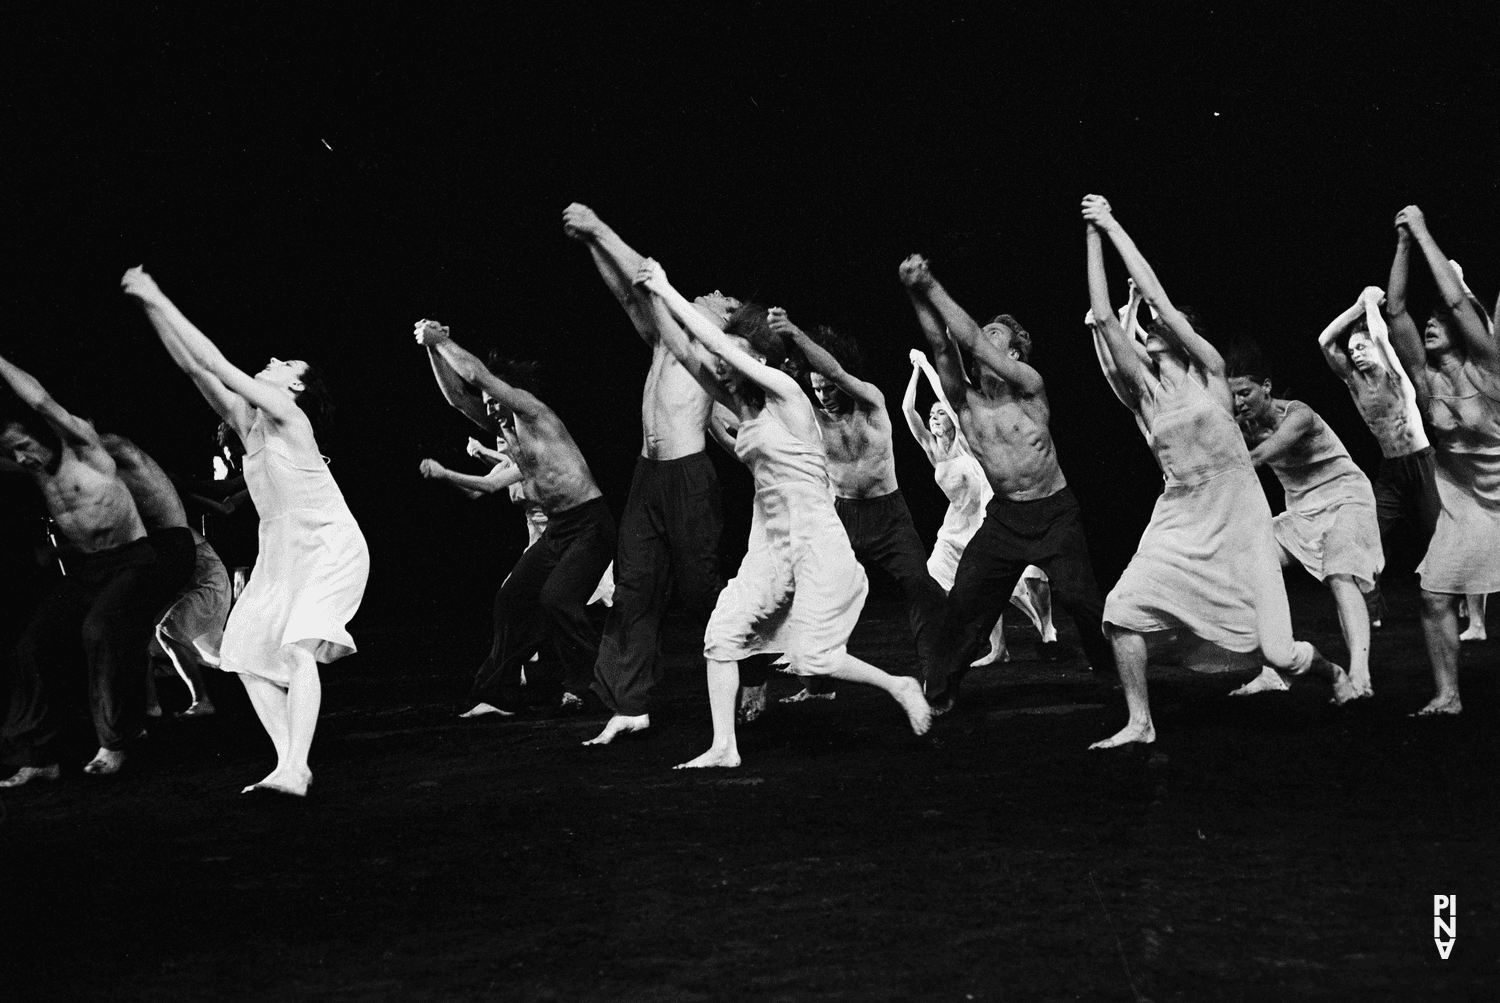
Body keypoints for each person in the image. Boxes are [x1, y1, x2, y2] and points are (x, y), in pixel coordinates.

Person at [634, 258, 931, 768]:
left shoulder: (789, 395)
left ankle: (899, 685)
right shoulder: (741, 404)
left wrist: (665, 285)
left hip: (816, 536)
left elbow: (720, 346)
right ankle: (724, 747)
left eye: (738, 355)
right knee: (721, 637)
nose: (723, 362)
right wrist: (654, 301)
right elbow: (686, 350)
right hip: (769, 542)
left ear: (762, 360)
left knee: (813, 658)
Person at [1080, 195, 1354, 748]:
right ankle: (1141, 722)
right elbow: (1106, 319)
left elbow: (1153, 293)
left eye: (1163, 322)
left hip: (1239, 518)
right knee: (1121, 610)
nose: (1153, 325)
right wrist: (1090, 236)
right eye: (1152, 323)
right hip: (1179, 514)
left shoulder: (1212, 372)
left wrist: (1112, 223)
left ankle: (1333, 671)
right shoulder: (1146, 393)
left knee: (1277, 652)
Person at [123, 266, 369, 796]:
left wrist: (157, 294)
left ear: (297, 386)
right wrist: (150, 312)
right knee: (244, 656)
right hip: (282, 552)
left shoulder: (288, 415)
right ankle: (286, 765)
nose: (274, 362)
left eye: (286, 364)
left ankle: (298, 767)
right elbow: (196, 370)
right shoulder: (247, 422)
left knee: (299, 647)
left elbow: (214, 360)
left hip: (329, 545)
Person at [563, 204, 765, 743]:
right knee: (634, 588)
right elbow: (631, 293)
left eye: (722, 299)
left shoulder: (708, 348)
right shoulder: (662, 339)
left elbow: (647, 282)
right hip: (646, 478)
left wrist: (601, 230)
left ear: (725, 321)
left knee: (700, 590)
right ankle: (630, 704)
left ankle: (752, 671)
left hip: (687, 479)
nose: (712, 291)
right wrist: (592, 247)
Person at [898, 254, 1117, 713]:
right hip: (1004, 519)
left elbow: (972, 341)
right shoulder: (965, 401)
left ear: (1013, 354)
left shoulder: (1029, 386)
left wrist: (931, 282)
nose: (984, 338)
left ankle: (1115, 677)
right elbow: (943, 346)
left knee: (1082, 599)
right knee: (964, 605)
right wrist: (916, 292)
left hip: (1054, 511)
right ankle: (938, 694)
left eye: (998, 336)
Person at [0, 355, 193, 785]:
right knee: (35, 644)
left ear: (43, 434)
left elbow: (39, 400)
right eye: (12, 452)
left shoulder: (83, 448)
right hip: (89, 568)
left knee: (103, 630)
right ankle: (39, 757)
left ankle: (116, 742)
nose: (21, 458)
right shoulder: (37, 473)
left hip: (133, 560)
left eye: (24, 446)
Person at [414, 319, 615, 717]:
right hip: (557, 530)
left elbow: (475, 375)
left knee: (558, 599)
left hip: (590, 523)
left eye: (493, 397)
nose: (487, 405)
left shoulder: (533, 414)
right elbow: (457, 397)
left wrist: (444, 340)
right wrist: (430, 350)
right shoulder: (504, 428)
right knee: (512, 598)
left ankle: (595, 684)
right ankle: (494, 696)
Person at [766, 311, 949, 685]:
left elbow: (834, 372)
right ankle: (815, 685)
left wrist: (795, 334)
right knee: (810, 591)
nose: (823, 395)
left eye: (828, 388)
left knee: (921, 586)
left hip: (890, 516)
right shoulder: (813, 419)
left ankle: (936, 678)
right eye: (816, 389)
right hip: (842, 514)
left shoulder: (870, 402)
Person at [1384, 205, 1500, 715]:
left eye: (1439, 321)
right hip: (1465, 505)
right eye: (1427, 322)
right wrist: (1404, 244)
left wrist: (1425, 229)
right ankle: (1447, 694)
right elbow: (1395, 310)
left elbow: (1453, 297)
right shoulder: (1425, 378)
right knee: (1434, 597)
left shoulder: (1490, 368)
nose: (1429, 324)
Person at [1227, 341, 1384, 698]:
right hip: (1302, 513)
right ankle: (1274, 669)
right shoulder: (1242, 425)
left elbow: (1265, 454)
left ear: (1266, 386)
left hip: (1347, 499)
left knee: (1339, 571)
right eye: (1232, 395)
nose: (1238, 402)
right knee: (1249, 562)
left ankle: (1360, 677)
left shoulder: (1298, 415)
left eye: (1245, 392)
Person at [901, 348, 1056, 664]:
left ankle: (1036, 628)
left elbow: (946, 401)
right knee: (936, 580)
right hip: (956, 525)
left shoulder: (963, 444)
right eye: (931, 414)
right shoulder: (932, 449)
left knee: (1008, 587)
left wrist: (927, 365)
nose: (934, 415)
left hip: (985, 520)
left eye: (939, 413)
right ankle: (996, 647)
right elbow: (907, 409)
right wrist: (914, 371)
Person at [1315, 286, 1437, 629]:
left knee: (1443, 536)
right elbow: (1325, 341)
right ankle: (1372, 611)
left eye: (1361, 347)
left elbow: (1382, 338)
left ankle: (1467, 611)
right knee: (1368, 538)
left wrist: (1372, 306)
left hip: (1422, 463)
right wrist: (1358, 305)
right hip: (1390, 472)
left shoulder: (1395, 377)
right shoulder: (1354, 383)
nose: (1355, 354)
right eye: (1352, 350)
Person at [100, 433, 226, 719]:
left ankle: (202, 700)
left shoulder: (161, 492)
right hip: (181, 581)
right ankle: (151, 707)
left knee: (169, 634)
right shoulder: (127, 501)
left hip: (206, 580)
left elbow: (220, 500)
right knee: (141, 637)